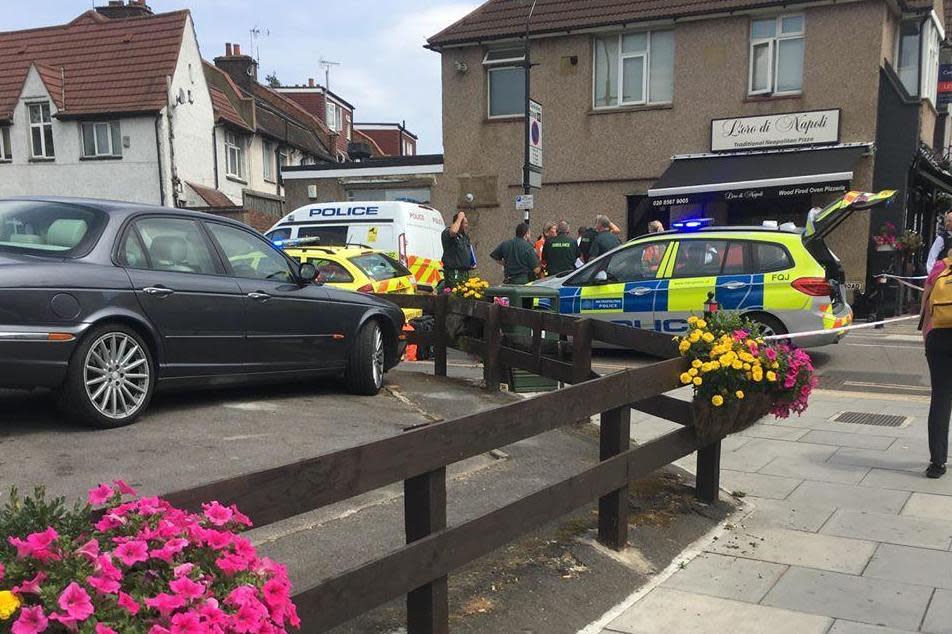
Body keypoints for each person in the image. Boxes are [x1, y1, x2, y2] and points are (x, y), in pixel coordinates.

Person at [920, 253, 952, 478]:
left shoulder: (941, 266)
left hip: (939, 336)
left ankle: (937, 463)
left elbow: (925, 303)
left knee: (940, 397)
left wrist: (926, 335)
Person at [441, 211, 475, 291]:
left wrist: (471, 262)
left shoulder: (464, 237)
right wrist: (460, 217)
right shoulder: (448, 232)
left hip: (464, 272)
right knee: (455, 294)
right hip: (455, 272)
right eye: (465, 223)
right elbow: (453, 232)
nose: (467, 226)